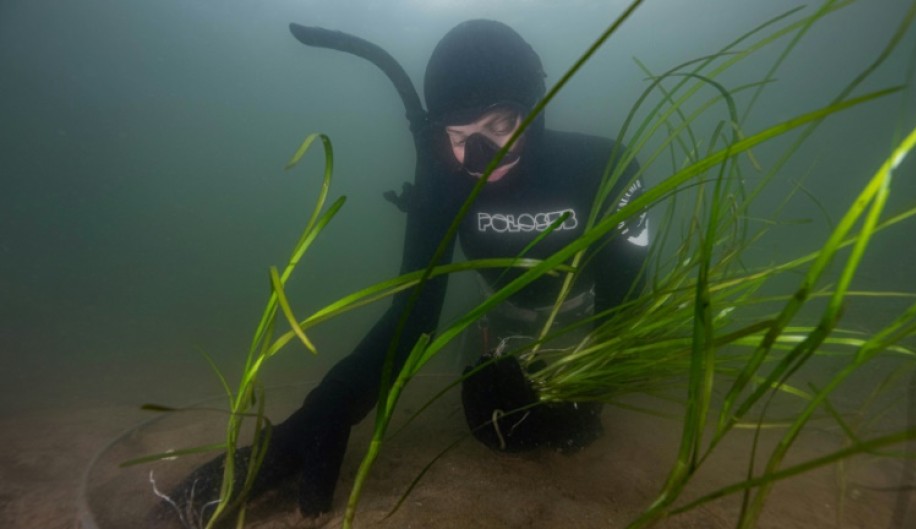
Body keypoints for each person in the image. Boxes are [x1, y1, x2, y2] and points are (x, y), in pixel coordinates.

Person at [162, 18, 649, 522]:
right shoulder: (445, 181)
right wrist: (324, 411)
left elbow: (627, 305)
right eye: (459, 135)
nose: (482, 158)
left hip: (586, 323)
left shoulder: (603, 168)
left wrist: (586, 402)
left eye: (502, 126)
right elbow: (413, 313)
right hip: (504, 320)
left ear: (536, 108)